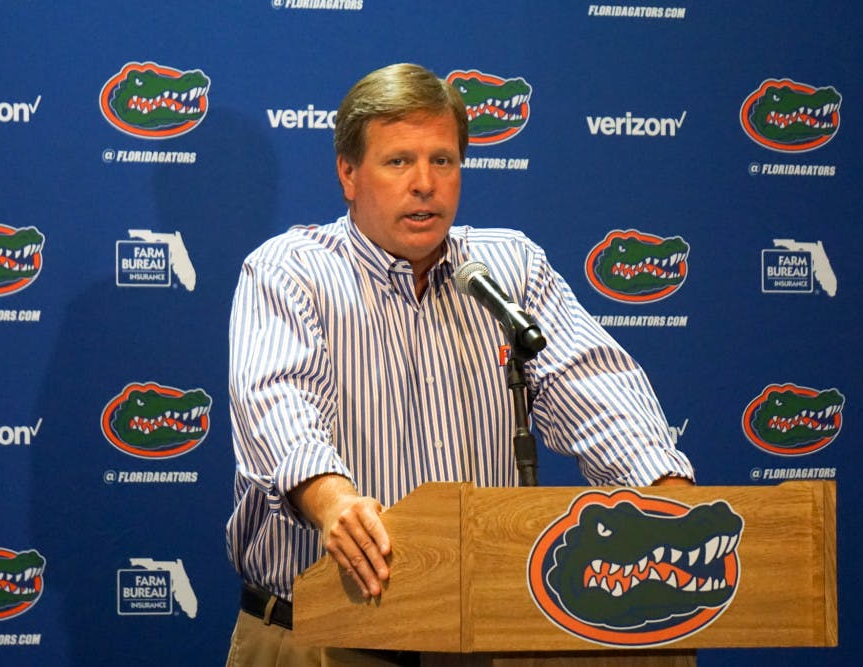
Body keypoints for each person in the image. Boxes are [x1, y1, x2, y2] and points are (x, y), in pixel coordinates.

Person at [225, 63, 694, 667]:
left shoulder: (509, 268)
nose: (425, 183)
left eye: (442, 161)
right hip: (325, 635)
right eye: (399, 162)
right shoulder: (290, 271)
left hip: (485, 634)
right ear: (348, 173)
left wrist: (669, 502)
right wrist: (333, 501)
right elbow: (278, 404)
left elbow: (597, 391)